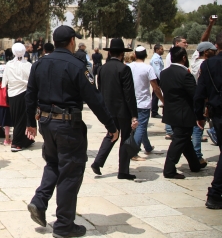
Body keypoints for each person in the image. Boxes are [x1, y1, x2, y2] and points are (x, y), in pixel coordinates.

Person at [25, 25, 118, 238]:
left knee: (53, 163)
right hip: (68, 126)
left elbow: (30, 96)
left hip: (46, 123)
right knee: (71, 170)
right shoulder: (77, 65)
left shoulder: (39, 64)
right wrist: (111, 126)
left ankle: (39, 202)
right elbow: (95, 99)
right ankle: (64, 225)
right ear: (72, 41)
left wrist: (30, 122)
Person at [91, 39, 139, 180]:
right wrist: (134, 115)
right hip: (123, 111)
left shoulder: (102, 69)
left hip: (108, 110)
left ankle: (98, 161)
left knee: (111, 134)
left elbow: (100, 90)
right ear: (122, 54)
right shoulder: (124, 69)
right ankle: (123, 171)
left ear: (110, 52)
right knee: (125, 138)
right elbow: (129, 95)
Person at [161, 46, 203, 179]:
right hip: (184, 114)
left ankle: (194, 164)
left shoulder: (164, 73)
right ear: (184, 58)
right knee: (180, 140)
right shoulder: (185, 74)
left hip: (171, 113)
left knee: (184, 139)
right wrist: (201, 113)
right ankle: (169, 169)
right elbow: (195, 95)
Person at [194, 32, 222, 209]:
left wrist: (199, 116)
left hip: (217, 114)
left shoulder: (209, 64)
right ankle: (214, 193)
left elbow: (199, 93)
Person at [128, 46, 163, 159]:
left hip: (131, 102)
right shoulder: (148, 68)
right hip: (143, 102)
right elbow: (155, 87)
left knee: (141, 126)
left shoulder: (128, 67)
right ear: (145, 55)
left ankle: (147, 147)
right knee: (141, 127)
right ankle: (134, 152)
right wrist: (163, 100)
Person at [190, 41, 217, 167]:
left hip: (195, 97)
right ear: (206, 52)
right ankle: (197, 155)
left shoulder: (194, 62)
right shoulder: (204, 64)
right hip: (202, 99)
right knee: (198, 128)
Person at [2, 43, 33, 152]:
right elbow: (32, 80)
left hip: (12, 94)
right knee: (21, 119)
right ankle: (16, 143)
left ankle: (24, 139)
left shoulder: (9, 64)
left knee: (16, 118)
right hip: (24, 93)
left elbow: (4, 80)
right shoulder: (28, 65)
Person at [150, 44, 164, 118]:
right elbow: (157, 71)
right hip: (157, 78)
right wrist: (162, 79)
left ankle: (155, 110)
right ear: (157, 50)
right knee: (156, 94)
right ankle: (154, 112)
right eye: (161, 49)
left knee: (156, 94)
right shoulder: (156, 59)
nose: (163, 50)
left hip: (158, 78)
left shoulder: (158, 58)